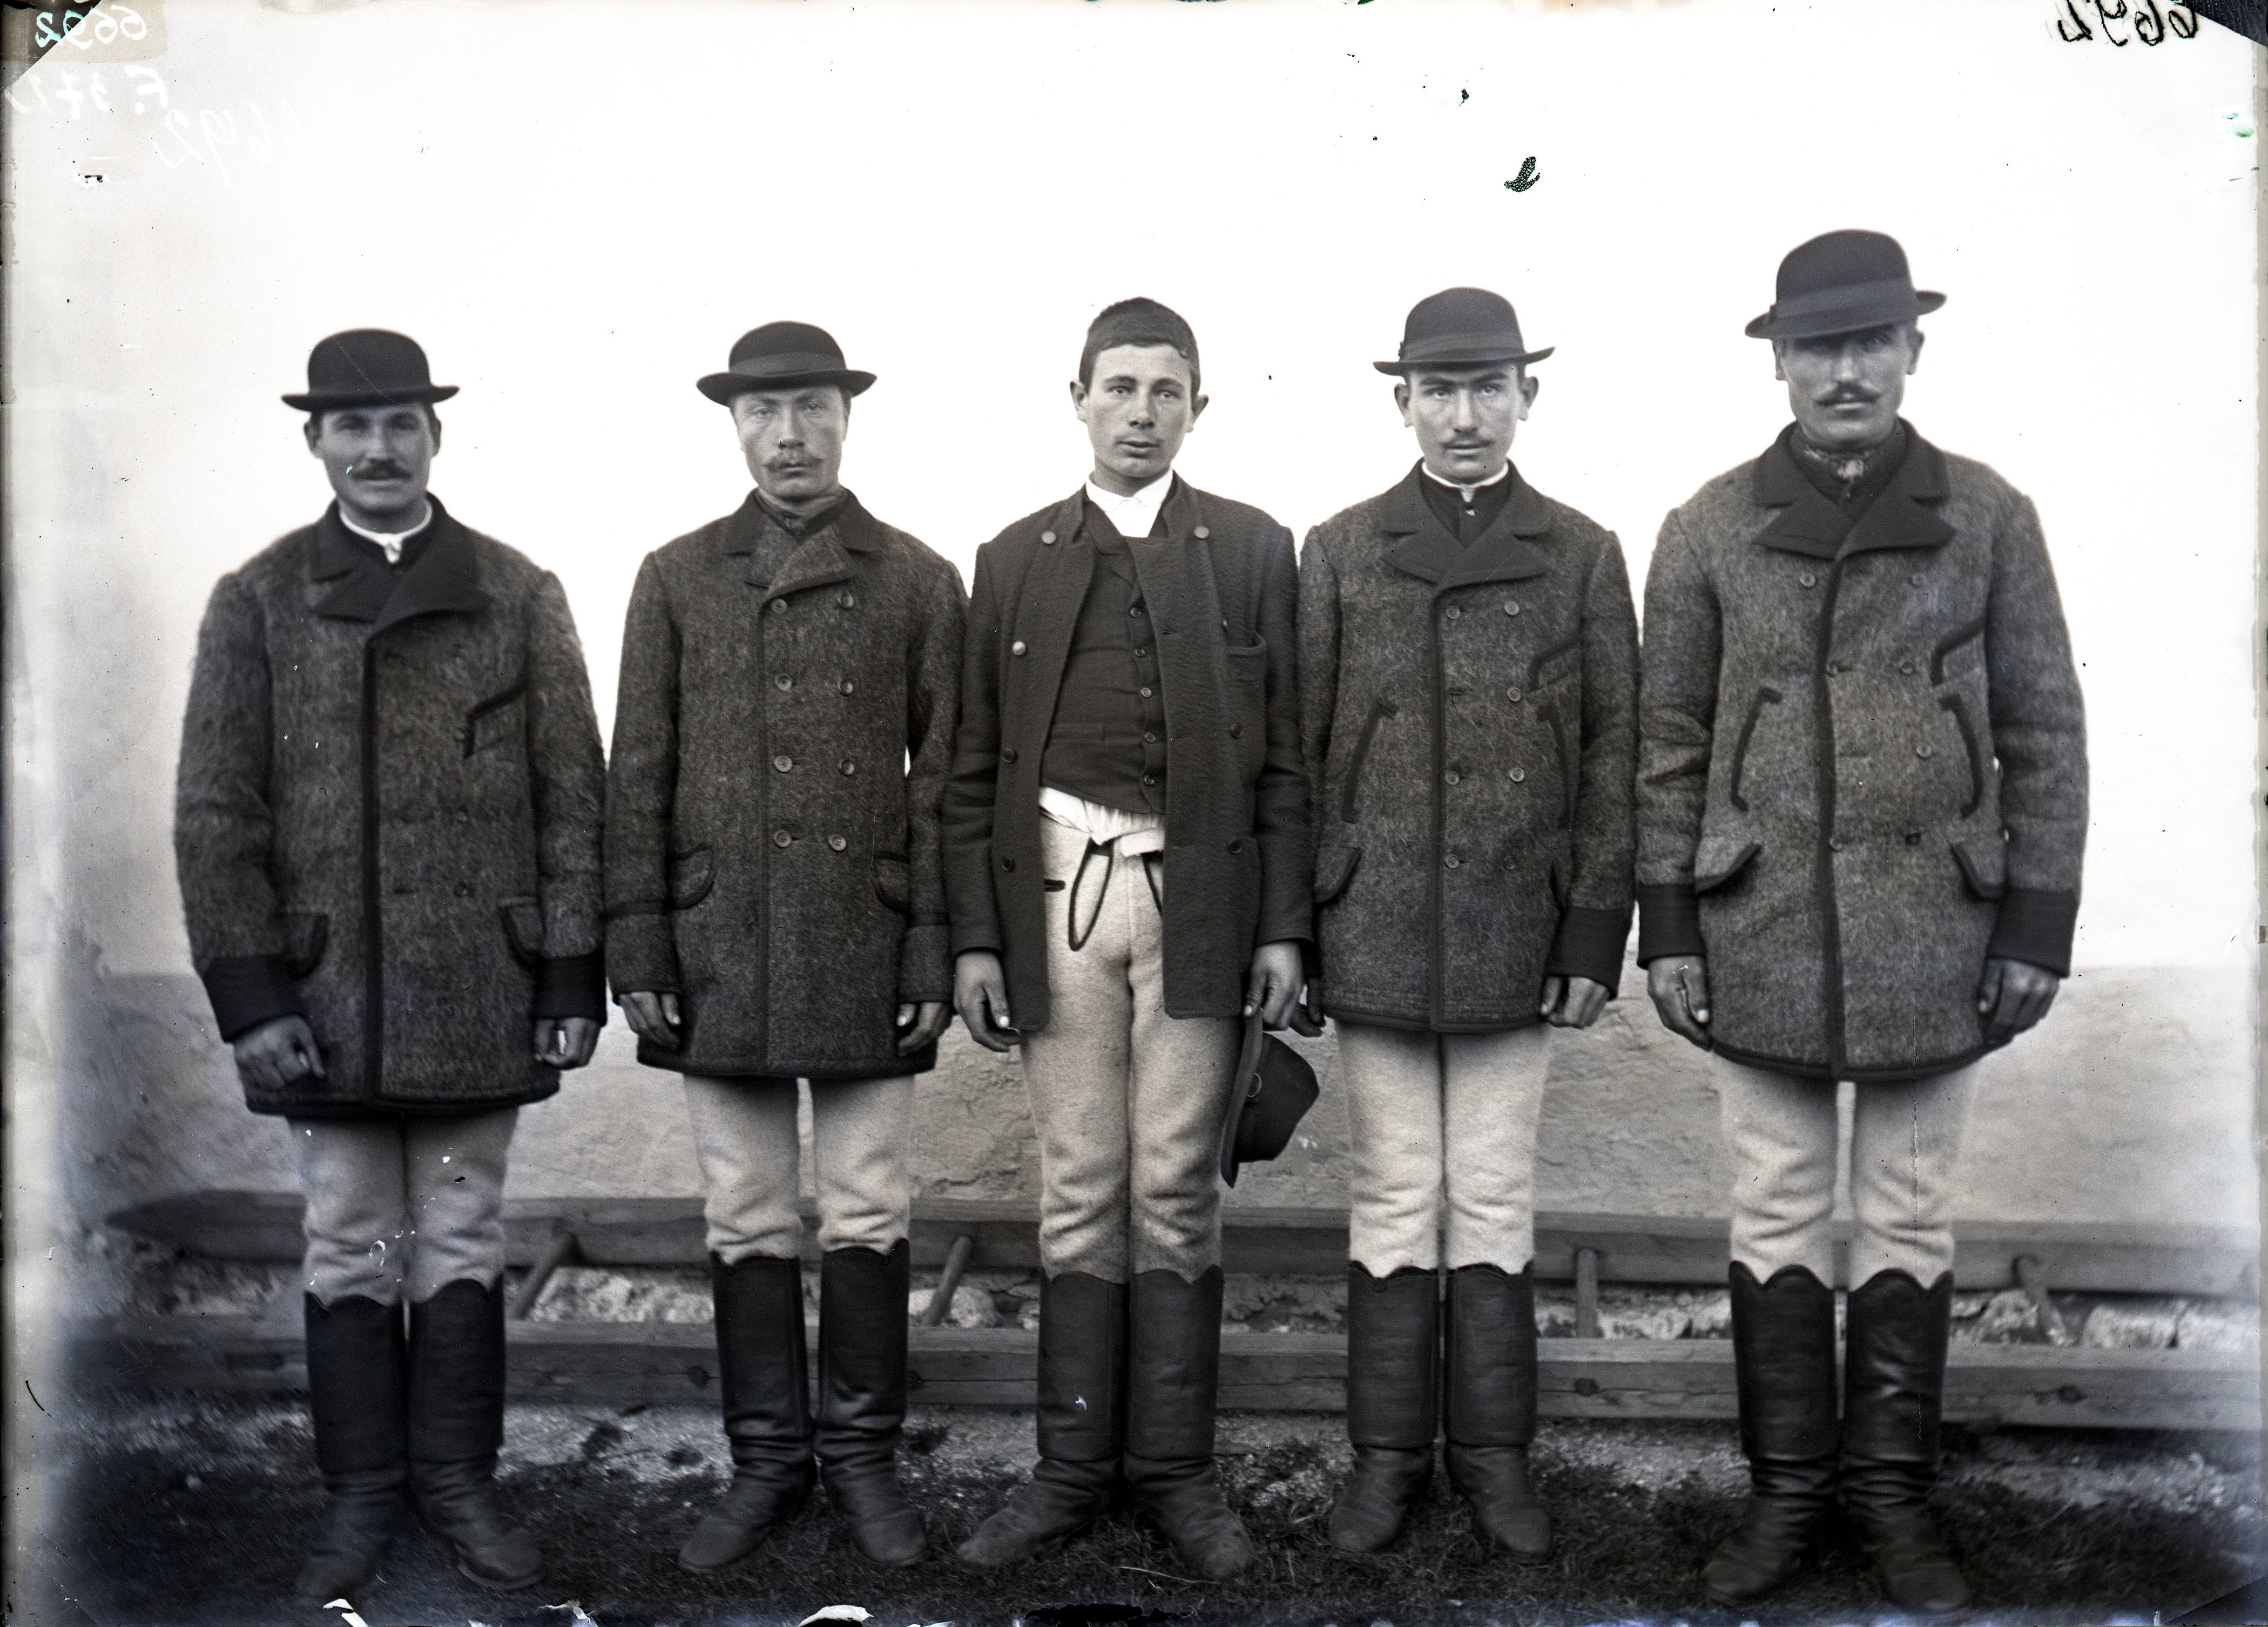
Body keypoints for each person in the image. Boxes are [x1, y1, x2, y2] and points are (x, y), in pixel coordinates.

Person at [1635, 230, 2088, 1616]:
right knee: (1775, 1203)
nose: (1847, 371)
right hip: (1758, 924)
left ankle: (1893, 1503)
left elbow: (2045, 729)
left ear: (1912, 352)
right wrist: (1671, 925)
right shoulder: (1708, 526)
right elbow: (1667, 741)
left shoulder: (1991, 516)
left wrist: (2035, 925)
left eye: (1871, 342)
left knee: (1907, 1211)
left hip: (1934, 932)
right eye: (1819, 347)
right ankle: (1786, 1497)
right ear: (1779, 361)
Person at [173, 329, 607, 1605]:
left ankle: (460, 1485)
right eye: (353, 427)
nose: (378, 448)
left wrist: (566, 976)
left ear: (435, 437)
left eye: (401, 423)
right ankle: (362, 1496)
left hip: (479, 993)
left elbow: (571, 799)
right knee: (351, 1237)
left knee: (462, 1234)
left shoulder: (519, 593)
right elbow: (216, 812)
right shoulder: (256, 600)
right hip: (324, 1003)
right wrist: (254, 998)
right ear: (316, 442)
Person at [944, 298, 1311, 1579]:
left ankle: (1175, 1474)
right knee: (1081, 1185)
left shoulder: (1254, 549)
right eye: (1120, 387)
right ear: (1079, 399)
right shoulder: (1013, 558)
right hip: (1060, 895)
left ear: (1198, 406)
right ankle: (1068, 1472)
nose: (1141, 412)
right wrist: (978, 941)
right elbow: (974, 763)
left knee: (1176, 1186)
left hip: (1200, 900)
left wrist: (1282, 928)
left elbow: (1285, 762)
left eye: (1166, 390)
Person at [606, 321, 964, 1572]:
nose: (790, 435)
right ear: (735, 425)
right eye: (763, 412)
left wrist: (930, 950)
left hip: (865, 942)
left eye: (813, 407)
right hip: (719, 946)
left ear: (848, 417)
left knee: (868, 1204)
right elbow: (638, 771)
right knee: (747, 1208)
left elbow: (944, 790)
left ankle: (862, 1460)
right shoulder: (676, 577)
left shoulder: (919, 579)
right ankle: (765, 1462)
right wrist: (639, 942)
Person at [1298, 288, 1638, 1560]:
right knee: (1393, 1191)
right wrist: (1299, 928)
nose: (1463, 416)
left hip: (1516, 928)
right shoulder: (1339, 550)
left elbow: (1612, 757)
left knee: (1492, 1193)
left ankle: (1495, 1462)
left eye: (1488, 387)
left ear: (1526, 397)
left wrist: (1590, 930)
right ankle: (1386, 1465)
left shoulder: (1583, 553)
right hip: (1374, 924)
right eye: (1438, 390)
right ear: (1403, 402)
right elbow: (1298, 754)